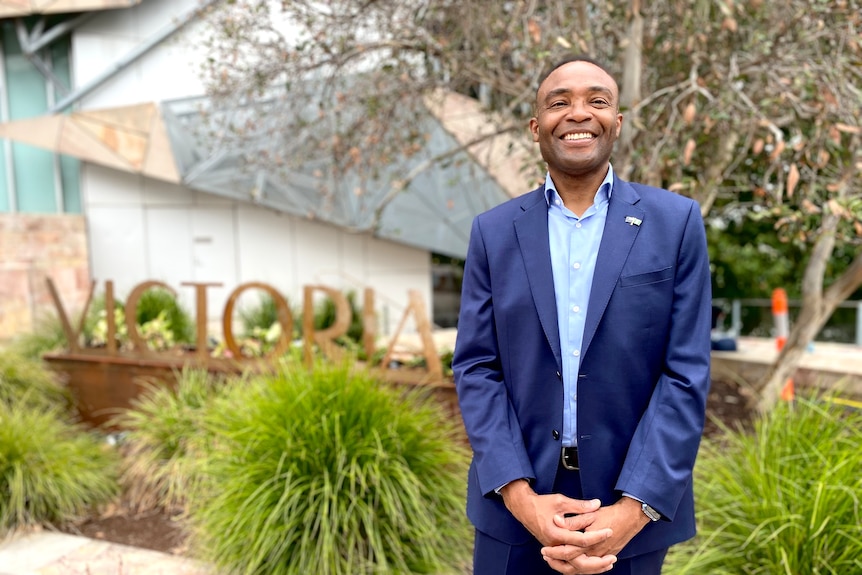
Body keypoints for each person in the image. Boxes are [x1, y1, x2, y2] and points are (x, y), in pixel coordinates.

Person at [452, 55, 712, 575]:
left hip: (629, 505)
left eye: (597, 101)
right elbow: (476, 368)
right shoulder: (494, 232)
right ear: (535, 127)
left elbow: (686, 374)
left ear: (617, 121)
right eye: (559, 102)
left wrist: (632, 510)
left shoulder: (675, 222)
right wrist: (522, 499)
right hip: (514, 506)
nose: (578, 114)